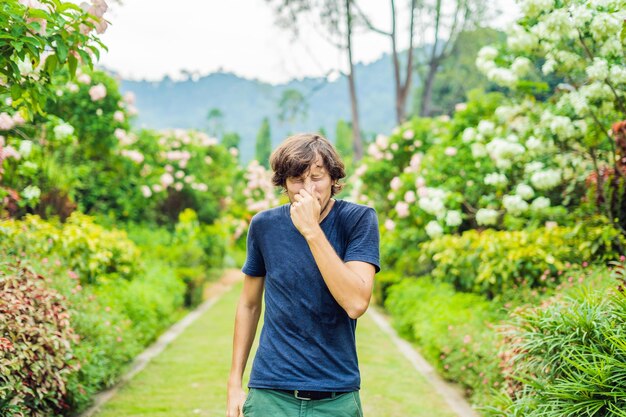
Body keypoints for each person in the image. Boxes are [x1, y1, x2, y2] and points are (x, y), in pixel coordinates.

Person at [226, 133, 380, 417]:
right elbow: (248, 305)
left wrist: (311, 230)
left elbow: (356, 303)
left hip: (336, 397)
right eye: (297, 179)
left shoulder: (358, 220)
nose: (307, 189)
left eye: (317, 178)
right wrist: (234, 383)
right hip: (269, 393)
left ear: (333, 179)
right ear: (283, 183)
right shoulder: (264, 226)